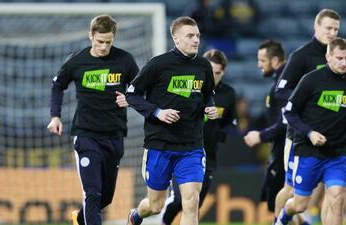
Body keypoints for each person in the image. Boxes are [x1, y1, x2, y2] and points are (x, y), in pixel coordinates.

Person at [120, 16, 218, 225]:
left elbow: (208, 94)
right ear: (176, 39)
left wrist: (209, 106)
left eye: (198, 36)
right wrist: (157, 112)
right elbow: (131, 95)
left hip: (191, 146)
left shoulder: (203, 66)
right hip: (160, 145)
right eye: (190, 36)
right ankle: (136, 216)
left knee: (191, 201)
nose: (196, 40)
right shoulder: (158, 64)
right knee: (155, 206)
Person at [47, 15, 139, 225]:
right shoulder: (77, 60)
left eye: (108, 42)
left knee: (105, 198)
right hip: (86, 136)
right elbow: (57, 85)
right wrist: (55, 116)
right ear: (90, 36)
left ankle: (78, 218)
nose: (103, 47)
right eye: (99, 41)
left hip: (114, 137)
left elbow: (140, 89)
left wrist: (131, 99)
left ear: (114, 38)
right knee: (93, 194)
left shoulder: (125, 60)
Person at [275, 37, 346, 225]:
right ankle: (284, 216)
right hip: (309, 152)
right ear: (328, 56)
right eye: (339, 58)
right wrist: (309, 133)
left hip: (337, 154)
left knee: (337, 198)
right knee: (300, 205)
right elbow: (290, 112)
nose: (344, 62)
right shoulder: (311, 80)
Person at [273, 8, 341, 225]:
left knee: (326, 191)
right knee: (291, 188)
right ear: (316, 27)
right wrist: (306, 100)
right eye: (328, 28)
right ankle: (278, 221)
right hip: (301, 135)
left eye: (336, 29)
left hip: (329, 136)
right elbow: (280, 91)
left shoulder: (338, 58)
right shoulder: (302, 56)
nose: (332, 32)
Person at [161, 49, 237, 225]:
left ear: (223, 72)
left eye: (217, 73)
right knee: (181, 200)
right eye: (209, 71)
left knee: (196, 202)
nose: (213, 76)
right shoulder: (189, 86)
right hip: (183, 150)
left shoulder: (228, 94)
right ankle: (164, 222)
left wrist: (220, 134)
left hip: (208, 155)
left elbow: (231, 123)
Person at [243, 39, 287, 213]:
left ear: (275, 61)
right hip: (279, 150)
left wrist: (260, 136)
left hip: (285, 151)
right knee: (279, 205)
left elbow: (285, 121)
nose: (258, 65)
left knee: (281, 204)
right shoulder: (279, 82)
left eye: (262, 60)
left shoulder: (283, 85)